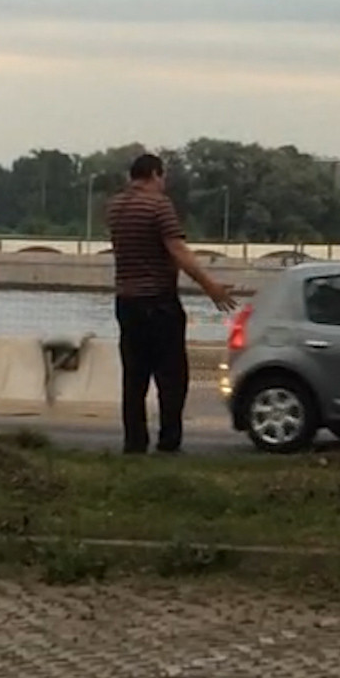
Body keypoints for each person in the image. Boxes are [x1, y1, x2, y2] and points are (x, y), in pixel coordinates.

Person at [105, 153, 237, 454]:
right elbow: (177, 248)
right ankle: (169, 441)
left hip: (126, 301)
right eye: (162, 177)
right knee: (172, 376)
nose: (164, 184)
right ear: (154, 174)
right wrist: (211, 286)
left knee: (134, 377)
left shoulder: (114, 207)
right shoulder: (158, 205)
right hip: (159, 302)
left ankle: (134, 442)